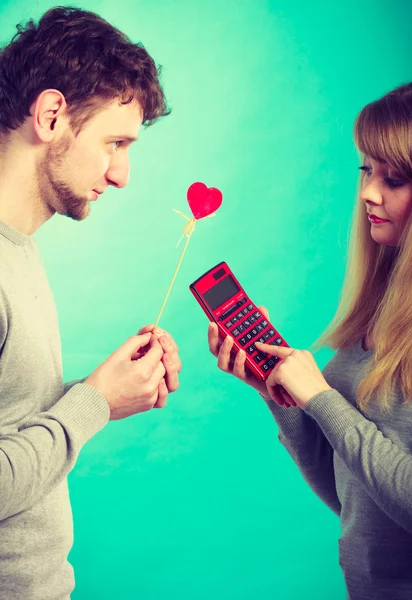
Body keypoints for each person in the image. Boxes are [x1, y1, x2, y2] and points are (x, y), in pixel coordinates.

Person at [209, 77, 412, 599]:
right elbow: (354, 496)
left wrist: (323, 400)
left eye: (393, 178)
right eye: (366, 170)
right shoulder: (380, 308)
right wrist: (281, 396)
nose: (368, 193)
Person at [0, 6, 182, 600]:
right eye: (116, 142)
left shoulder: (19, 249)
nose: (123, 173)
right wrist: (94, 403)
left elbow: (14, 419)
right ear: (52, 115)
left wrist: (109, 389)